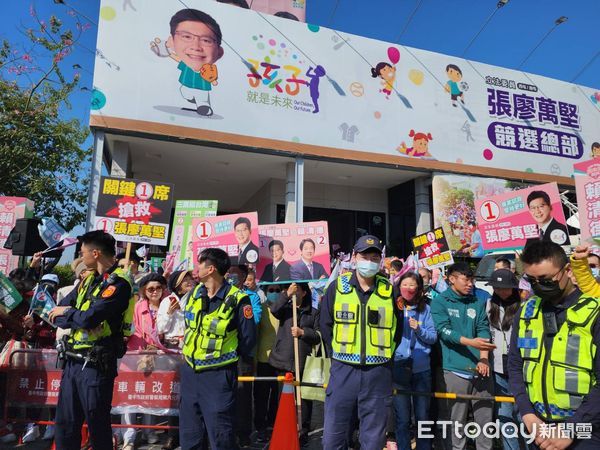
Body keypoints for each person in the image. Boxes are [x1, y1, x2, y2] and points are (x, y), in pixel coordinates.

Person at [508, 241, 600, 448]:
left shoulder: (595, 312)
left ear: (567, 270)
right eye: (531, 280)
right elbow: (515, 365)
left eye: (545, 279)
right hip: (538, 428)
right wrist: (527, 414)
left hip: (586, 429)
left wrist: (571, 429)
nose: (538, 285)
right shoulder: (526, 311)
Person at [49, 231, 134, 450]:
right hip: (72, 362)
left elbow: (89, 317)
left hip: (96, 365)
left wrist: (70, 313)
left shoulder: (120, 284)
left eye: (83, 252)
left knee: (97, 425)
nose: (80, 255)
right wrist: (73, 315)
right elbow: (56, 316)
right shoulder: (87, 281)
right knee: (65, 424)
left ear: (95, 253)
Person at [320, 235, 401, 450]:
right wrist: (338, 356)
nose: (370, 261)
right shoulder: (336, 288)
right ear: (354, 257)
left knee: (373, 441)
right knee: (333, 439)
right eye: (365, 256)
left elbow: (397, 331)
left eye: (375, 257)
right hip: (343, 371)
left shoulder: (390, 291)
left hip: (378, 373)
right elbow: (325, 326)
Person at [180, 248, 256, 450]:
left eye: (200, 264)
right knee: (190, 436)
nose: (196, 269)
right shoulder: (195, 292)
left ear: (211, 268)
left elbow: (248, 339)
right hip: (190, 372)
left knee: (220, 436)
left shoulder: (239, 299)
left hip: (218, 376)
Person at [430, 262, 495, 450]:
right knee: (456, 421)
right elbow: (443, 331)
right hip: (455, 370)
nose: (470, 284)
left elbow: (483, 329)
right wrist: (470, 342)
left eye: (472, 280)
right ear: (452, 279)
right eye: (466, 280)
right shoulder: (440, 301)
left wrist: (483, 357)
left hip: (481, 370)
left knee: (485, 421)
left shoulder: (476, 301)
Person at [391, 272, 437, 450]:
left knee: (422, 417)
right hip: (399, 367)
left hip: (421, 370)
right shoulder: (395, 307)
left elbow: (432, 337)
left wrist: (419, 329)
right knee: (402, 417)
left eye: (412, 285)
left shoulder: (424, 309)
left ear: (419, 288)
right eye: (405, 284)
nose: (408, 288)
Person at [268, 282, 320, 440]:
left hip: (303, 362)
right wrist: (286, 295)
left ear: (304, 293)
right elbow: (274, 309)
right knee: (283, 398)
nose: (293, 293)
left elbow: (318, 336)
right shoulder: (285, 309)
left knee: (304, 400)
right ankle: (284, 428)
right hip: (283, 361)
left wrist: (303, 332)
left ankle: (302, 431)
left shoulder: (313, 312)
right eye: (290, 290)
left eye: (296, 290)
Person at [122, 273, 168, 449]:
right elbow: (131, 328)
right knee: (130, 397)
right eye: (150, 288)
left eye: (158, 288)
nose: (155, 291)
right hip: (136, 356)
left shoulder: (168, 305)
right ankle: (129, 435)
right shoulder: (136, 307)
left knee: (151, 395)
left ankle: (149, 431)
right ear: (144, 290)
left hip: (159, 356)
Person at [158, 269, 196, 450]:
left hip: (191, 351)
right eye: (185, 279)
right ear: (177, 283)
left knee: (190, 395)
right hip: (173, 351)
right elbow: (161, 327)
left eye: (190, 278)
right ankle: (172, 434)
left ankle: (189, 433)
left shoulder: (196, 298)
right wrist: (170, 313)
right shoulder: (168, 300)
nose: (189, 281)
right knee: (174, 395)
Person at [162, 8, 225, 117]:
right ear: (171, 41)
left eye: (206, 40)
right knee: (184, 91)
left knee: (202, 96)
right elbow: (178, 59)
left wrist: (214, 81)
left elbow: (212, 78)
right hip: (186, 86)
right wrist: (167, 53)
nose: (196, 47)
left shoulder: (209, 69)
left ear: (219, 52)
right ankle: (193, 100)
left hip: (202, 88)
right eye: (187, 37)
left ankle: (204, 106)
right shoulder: (186, 63)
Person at [485, 269, 522, 450]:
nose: (502, 291)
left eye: (505, 288)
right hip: (498, 367)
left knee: (523, 415)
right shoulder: (488, 305)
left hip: (520, 368)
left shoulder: (523, 306)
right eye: (498, 288)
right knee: (504, 416)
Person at [226, 264, 261, 447]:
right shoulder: (221, 294)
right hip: (222, 353)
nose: (232, 278)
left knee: (243, 396)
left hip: (243, 354)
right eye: (230, 274)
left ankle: (244, 433)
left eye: (237, 275)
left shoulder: (252, 297)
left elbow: (253, 320)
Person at [253, 284, 280, 444]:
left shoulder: (286, 307)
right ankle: (260, 426)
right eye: (271, 290)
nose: (274, 293)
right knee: (261, 395)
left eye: (278, 290)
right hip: (264, 357)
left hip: (281, 359)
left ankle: (273, 423)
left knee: (277, 395)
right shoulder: (261, 308)